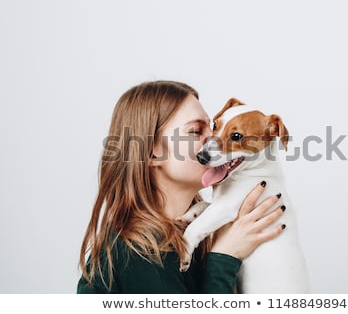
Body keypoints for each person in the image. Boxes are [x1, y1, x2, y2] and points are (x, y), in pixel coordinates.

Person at [77, 80, 286, 293]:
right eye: (196, 131)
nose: (213, 139)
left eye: (212, 126)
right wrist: (225, 258)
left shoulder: (192, 236)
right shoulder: (134, 252)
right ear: (153, 152)